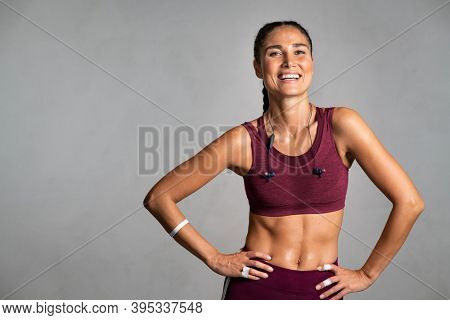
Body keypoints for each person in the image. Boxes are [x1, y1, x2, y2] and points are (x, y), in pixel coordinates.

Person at [143, 20, 425, 300]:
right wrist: (213, 258)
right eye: (275, 53)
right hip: (255, 290)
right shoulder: (242, 140)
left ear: (312, 62)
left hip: (323, 291)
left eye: (299, 51)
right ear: (258, 67)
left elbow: (410, 203)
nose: (289, 62)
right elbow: (159, 198)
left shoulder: (343, 125)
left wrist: (368, 274)